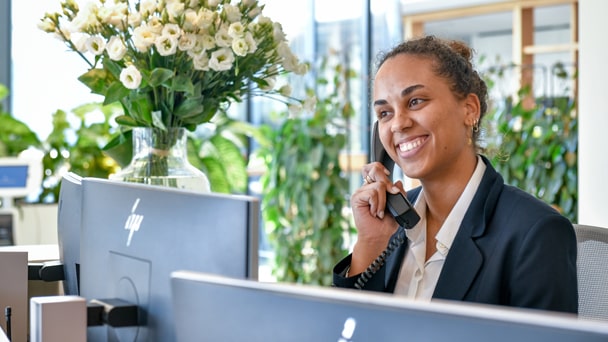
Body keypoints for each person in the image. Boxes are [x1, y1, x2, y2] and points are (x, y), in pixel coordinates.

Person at [332, 35, 578, 314]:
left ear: (469, 109)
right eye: (385, 113)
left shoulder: (536, 233)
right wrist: (371, 242)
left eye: (415, 101)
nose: (398, 123)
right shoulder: (391, 222)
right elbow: (345, 329)